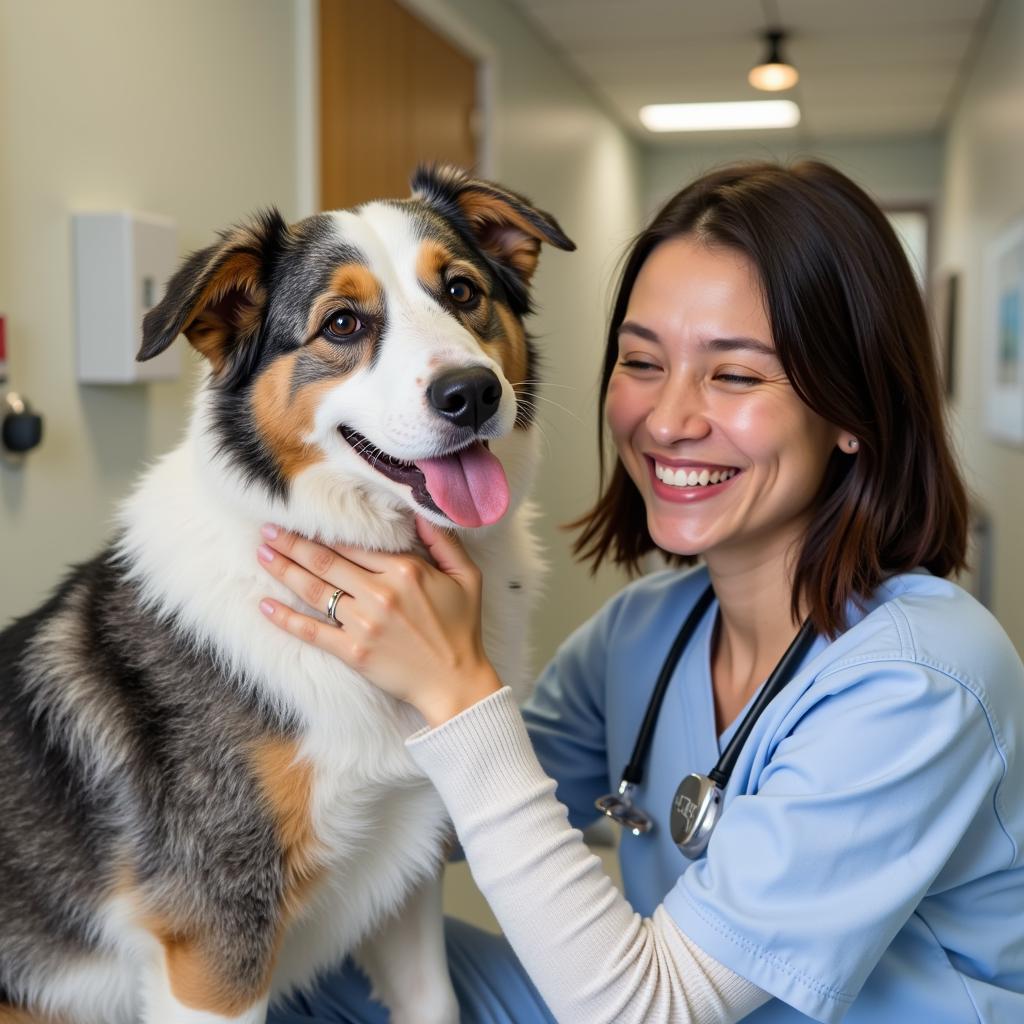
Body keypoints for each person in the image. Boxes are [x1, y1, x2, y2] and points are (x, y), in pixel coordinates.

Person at [255, 161, 1024, 1023]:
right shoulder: (646, 635)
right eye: (641, 362)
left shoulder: (924, 677)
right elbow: (435, 828)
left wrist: (455, 692)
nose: (666, 421)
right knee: (291, 970)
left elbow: (650, 1008)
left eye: (734, 375)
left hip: (655, 1007)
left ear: (853, 408)